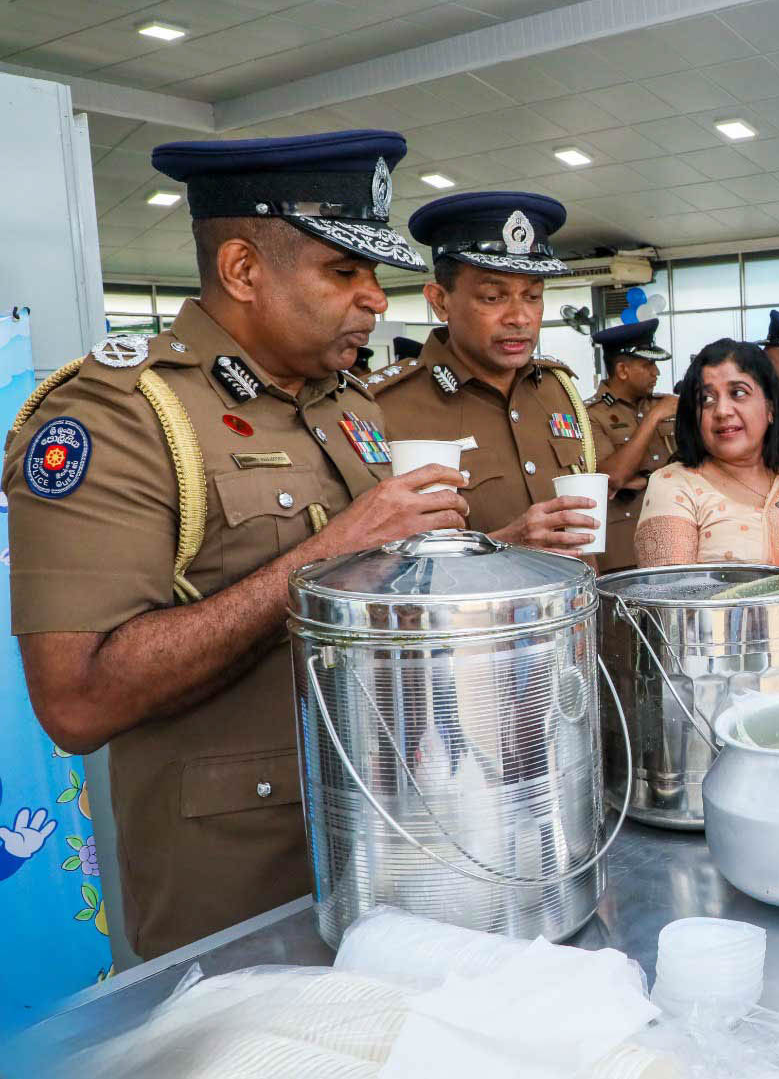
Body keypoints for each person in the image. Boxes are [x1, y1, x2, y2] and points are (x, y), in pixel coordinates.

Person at [3, 130, 470, 959]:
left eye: (373, 276)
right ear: (243, 270)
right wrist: (326, 560)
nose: (374, 301)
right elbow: (76, 703)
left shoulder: (351, 404)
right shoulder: (119, 417)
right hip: (241, 900)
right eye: (344, 270)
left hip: (394, 851)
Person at [368, 191, 598, 551]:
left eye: (533, 296)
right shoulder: (383, 409)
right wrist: (503, 544)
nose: (519, 317)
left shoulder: (556, 388)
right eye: (493, 297)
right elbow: (369, 566)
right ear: (440, 301)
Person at [635, 339, 779, 566]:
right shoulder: (674, 484)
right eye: (706, 399)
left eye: (738, 393)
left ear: (770, 408)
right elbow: (669, 595)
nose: (722, 411)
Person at [588, 319, 675, 571]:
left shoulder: (667, 404)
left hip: (672, 535)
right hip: (623, 550)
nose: (656, 373)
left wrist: (645, 480)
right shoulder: (591, 415)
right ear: (623, 370)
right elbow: (613, 477)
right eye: (648, 365)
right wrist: (653, 418)